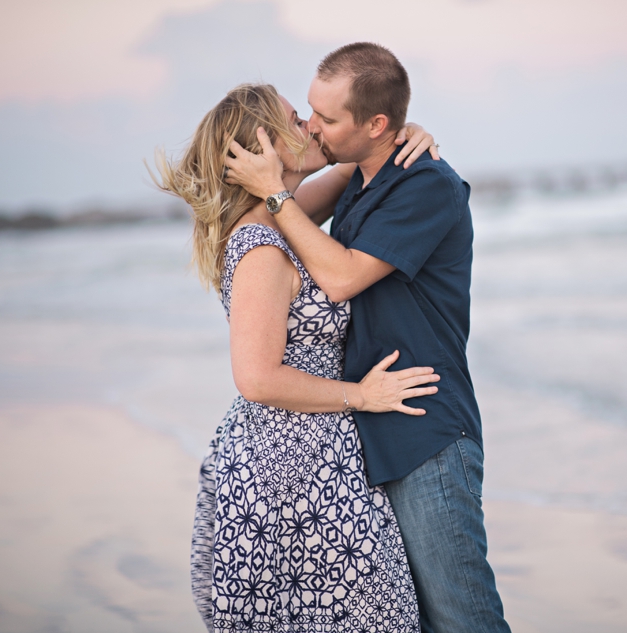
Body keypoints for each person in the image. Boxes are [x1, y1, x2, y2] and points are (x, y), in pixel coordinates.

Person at [224, 43, 512, 633]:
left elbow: (340, 276)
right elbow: (265, 225)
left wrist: (275, 188)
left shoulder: (425, 185)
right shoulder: (358, 178)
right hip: (373, 433)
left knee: (462, 619)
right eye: (309, 111)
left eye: (326, 118)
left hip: (423, 427)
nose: (311, 126)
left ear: (375, 125)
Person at [151, 83, 441, 631]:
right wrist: (363, 396)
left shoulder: (278, 215)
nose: (310, 125)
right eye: (295, 119)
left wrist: (404, 134)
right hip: (292, 467)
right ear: (263, 148)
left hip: (313, 453)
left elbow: (354, 168)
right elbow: (256, 378)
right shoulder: (260, 244)